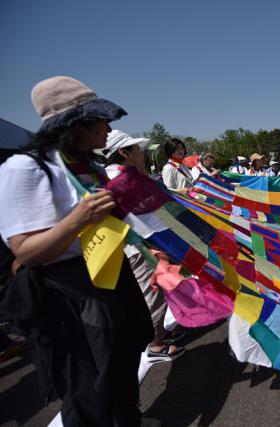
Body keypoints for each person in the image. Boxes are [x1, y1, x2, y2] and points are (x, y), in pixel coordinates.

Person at [0, 76, 153, 425]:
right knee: (88, 389)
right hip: (67, 294)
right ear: (76, 126)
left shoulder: (88, 167)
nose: (107, 128)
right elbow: (26, 252)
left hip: (108, 276)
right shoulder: (25, 168)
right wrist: (79, 218)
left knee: (122, 368)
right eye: (99, 121)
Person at [98, 130, 185, 362]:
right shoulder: (118, 180)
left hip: (150, 242)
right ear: (123, 152)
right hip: (140, 247)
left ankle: (162, 333)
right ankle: (155, 346)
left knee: (163, 287)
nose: (142, 153)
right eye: (137, 149)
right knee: (152, 293)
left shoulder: (127, 176)